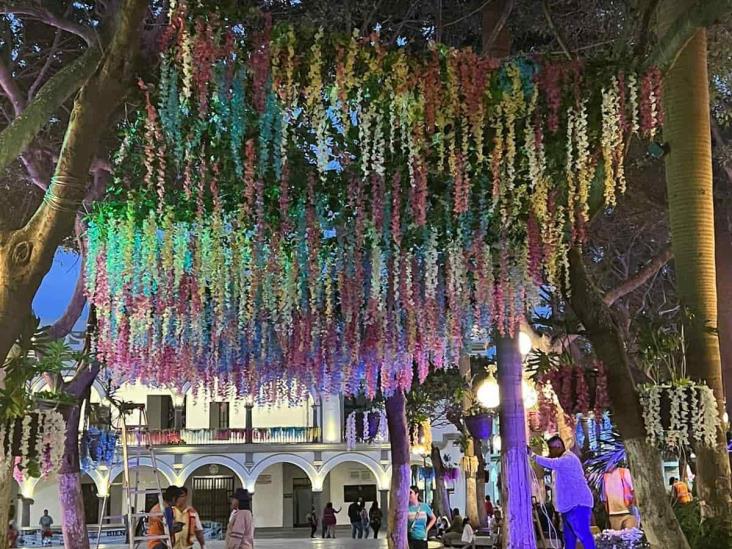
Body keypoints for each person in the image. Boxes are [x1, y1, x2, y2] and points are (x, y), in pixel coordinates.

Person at [530, 435, 596, 549]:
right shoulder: (562, 463)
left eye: (551, 448)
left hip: (577, 504)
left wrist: (532, 455)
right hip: (568, 507)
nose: (549, 452)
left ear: (558, 447)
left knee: (583, 535)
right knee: (569, 540)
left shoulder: (568, 459)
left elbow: (552, 463)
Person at [602, 464, 637, 530]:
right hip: (613, 514)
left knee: (631, 536)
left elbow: (633, 490)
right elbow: (604, 497)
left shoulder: (624, 472)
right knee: (617, 538)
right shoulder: (604, 476)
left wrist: (633, 506)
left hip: (627, 512)